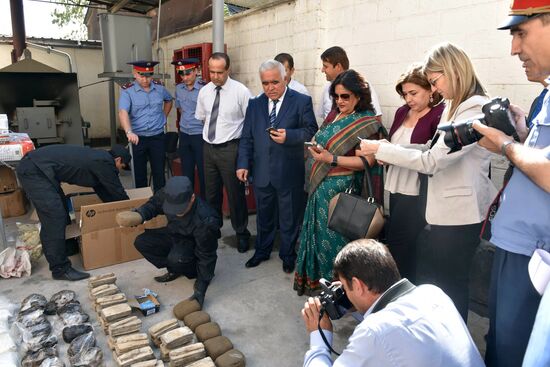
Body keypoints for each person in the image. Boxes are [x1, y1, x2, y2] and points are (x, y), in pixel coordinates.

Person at [359, 42, 497, 321]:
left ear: (453, 71)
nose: (434, 90)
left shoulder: (474, 109)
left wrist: (382, 150)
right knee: (442, 283)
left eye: (434, 81)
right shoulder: (453, 107)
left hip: (460, 215)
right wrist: (387, 148)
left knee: (452, 286)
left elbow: (433, 161)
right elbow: (429, 150)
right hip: (446, 213)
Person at [471, 3, 550, 366]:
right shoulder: (547, 94)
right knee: (501, 345)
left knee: (518, 354)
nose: (514, 48)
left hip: (536, 258)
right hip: (516, 246)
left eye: (521, 33)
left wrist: (504, 144)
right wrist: (521, 133)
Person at [301, 239, 485, 367]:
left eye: (347, 288)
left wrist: (319, 336)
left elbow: (382, 333)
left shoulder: (374, 332)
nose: (346, 294)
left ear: (358, 285)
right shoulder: (433, 293)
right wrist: (355, 305)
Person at [294, 69, 383, 296]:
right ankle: (319, 284)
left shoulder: (366, 123)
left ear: (358, 97)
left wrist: (330, 158)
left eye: (345, 96)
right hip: (320, 188)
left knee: (336, 244)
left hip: (341, 192)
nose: (339, 101)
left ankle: (343, 292)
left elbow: (368, 161)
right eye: (336, 96)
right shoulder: (335, 116)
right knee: (317, 238)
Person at [236, 60, 318, 273]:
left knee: (289, 217)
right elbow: (247, 137)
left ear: (285, 79)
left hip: (289, 172)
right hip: (262, 172)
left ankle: (287, 255)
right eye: (265, 83)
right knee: (264, 216)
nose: (270, 88)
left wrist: (290, 136)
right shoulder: (255, 105)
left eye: (274, 82)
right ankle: (262, 251)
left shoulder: (301, 101)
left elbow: (311, 131)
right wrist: (243, 164)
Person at [17, 144, 131, 281]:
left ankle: (67, 247)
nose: (120, 171)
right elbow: (116, 190)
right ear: (118, 160)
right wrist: (131, 209)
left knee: (62, 207)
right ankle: (60, 269)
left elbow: (104, 190)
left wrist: (114, 209)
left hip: (40, 168)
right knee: (54, 217)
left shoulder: (98, 160)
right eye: (122, 166)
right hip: (34, 170)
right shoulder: (105, 162)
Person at [117, 176, 221, 307]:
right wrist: (141, 214)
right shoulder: (167, 194)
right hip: (174, 233)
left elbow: (207, 255)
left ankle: (191, 270)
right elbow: (154, 205)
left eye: (181, 208)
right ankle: (175, 269)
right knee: (142, 242)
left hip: (192, 243)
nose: (177, 212)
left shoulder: (206, 220)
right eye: (173, 208)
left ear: (192, 198)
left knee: (177, 258)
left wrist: (201, 287)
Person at [384, 64, 445, 282]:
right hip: (396, 183)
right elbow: (394, 145)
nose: (409, 99)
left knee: (402, 245)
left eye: (413, 93)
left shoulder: (438, 116)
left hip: (418, 189)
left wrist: (391, 152)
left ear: (431, 90)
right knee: (398, 242)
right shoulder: (402, 112)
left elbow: (431, 153)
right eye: (405, 94)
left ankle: (401, 293)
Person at [195, 52, 252, 253]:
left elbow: (250, 123)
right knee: (211, 193)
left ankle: (241, 233)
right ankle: (213, 229)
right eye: (212, 71)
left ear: (228, 69)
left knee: (235, 195)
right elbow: (203, 118)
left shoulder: (241, 92)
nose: (215, 76)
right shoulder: (204, 92)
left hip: (231, 149)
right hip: (208, 148)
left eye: (220, 72)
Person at [118, 60, 173, 192]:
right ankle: (142, 202)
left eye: (148, 76)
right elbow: (122, 112)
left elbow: (169, 100)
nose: (145, 79)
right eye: (141, 75)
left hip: (157, 137)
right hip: (138, 138)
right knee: (139, 173)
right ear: (135, 74)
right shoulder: (128, 91)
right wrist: (129, 132)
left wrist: (164, 116)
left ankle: (160, 202)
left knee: (159, 172)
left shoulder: (160, 89)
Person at [317, 46, 382, 122]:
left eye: (325, 66)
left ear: (338, 66)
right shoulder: (327, 88)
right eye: (336, 96)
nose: (322, 70)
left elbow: (376, 119)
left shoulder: (361, 84)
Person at [172, 58, 207, 197]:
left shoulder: (205, 89)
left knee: (204, 171)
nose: (185, 77)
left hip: (200, 135)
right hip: (185, 134)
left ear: (196, 71)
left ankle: (204, 203)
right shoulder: (179, 89)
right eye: (182, 74)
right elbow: (181, 109)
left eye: (188, 73)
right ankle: (189, 201)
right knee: (186, 171)